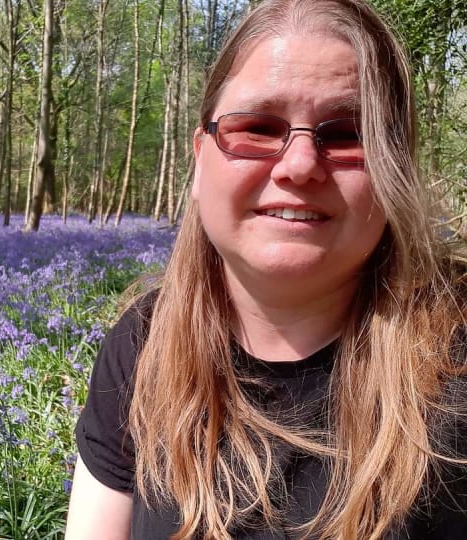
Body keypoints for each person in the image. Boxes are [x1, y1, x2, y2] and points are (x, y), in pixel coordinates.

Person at [65, 0, 467, 538]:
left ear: (396, 165)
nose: (300, 165)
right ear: (200, 157)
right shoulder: (142, 345)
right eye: (256, 127)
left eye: (348, 134)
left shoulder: (455, 362)